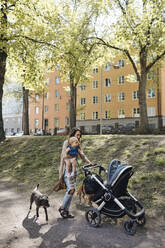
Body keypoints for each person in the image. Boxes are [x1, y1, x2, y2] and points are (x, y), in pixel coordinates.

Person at [58, 127, 92, 218]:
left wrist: (90, 162)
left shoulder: (77, 144)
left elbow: (82, 156)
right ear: (72, 135)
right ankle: (62, 207)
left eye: (80, 135)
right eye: (77, 135)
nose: (79, 137)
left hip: (74, 171)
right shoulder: (67, 143)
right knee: (71, 189)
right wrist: (61, 173)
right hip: (67, 170)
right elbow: (63, 157)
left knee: (72, 191)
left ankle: (66, 211)